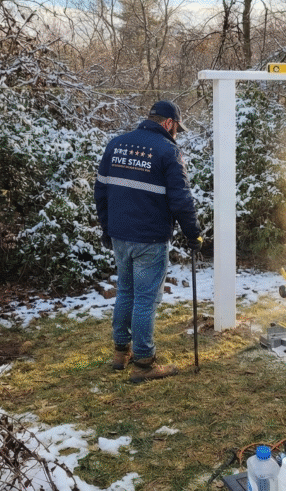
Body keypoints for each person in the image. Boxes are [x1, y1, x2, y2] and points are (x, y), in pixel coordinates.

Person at [94, 100, 203, 383]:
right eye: (177, 127)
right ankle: (143, 362)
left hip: (120, 235)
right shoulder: (169, 150)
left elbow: (101, 192)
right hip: (149, 238)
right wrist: (194, 234)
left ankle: (121, 352)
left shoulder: (116, 144)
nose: (177, 132)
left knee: (125, 291)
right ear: (168, 123)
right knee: (145, 299)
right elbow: (181, 199)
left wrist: (107, 229)